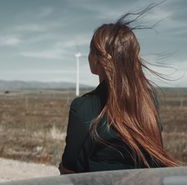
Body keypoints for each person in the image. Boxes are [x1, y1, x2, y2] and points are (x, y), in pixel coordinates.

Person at [59, 9, 179, 174]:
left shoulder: (82, 107)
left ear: (97, 59)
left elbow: (68, 169)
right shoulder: (149, 99)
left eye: (90, 51)